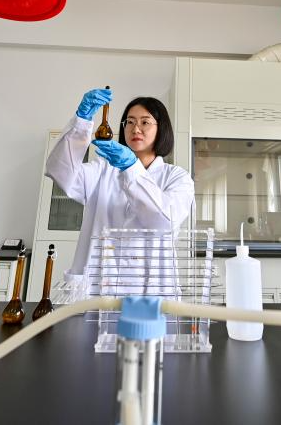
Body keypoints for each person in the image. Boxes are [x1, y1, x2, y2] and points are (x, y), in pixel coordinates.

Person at [45, 87, 195, 296]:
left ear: (161, 129)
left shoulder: (177, 177)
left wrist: (131, 168)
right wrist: (81, 123)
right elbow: (61, 172)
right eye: (130, 122)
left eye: (145, 122)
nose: (135, 129)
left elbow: (163, 221)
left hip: (150, 293)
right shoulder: (103, 169)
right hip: (98, 290)